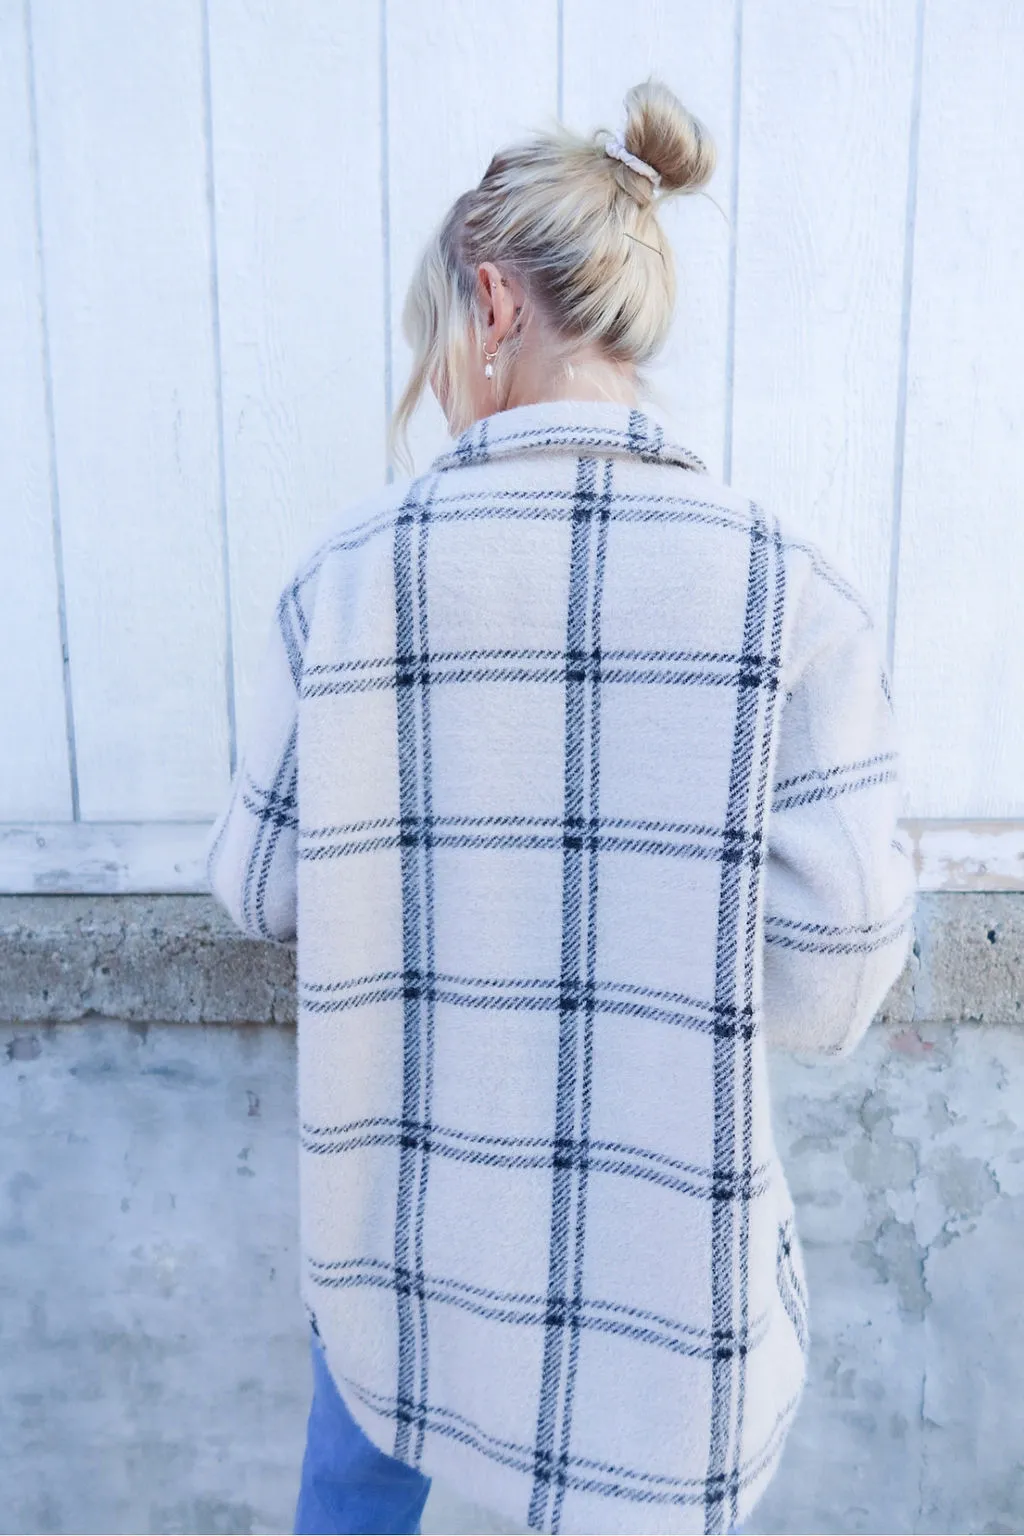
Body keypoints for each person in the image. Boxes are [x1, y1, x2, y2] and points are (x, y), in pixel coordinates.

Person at [206, 78, 916, 1536]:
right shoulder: (793, 598)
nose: (443, 374)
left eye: (438, 344)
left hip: (402, 1241)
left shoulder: (346, 585)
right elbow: (832, 984)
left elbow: (262, 889)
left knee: (355, 1488)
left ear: (490, 305)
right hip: (662, 1285)